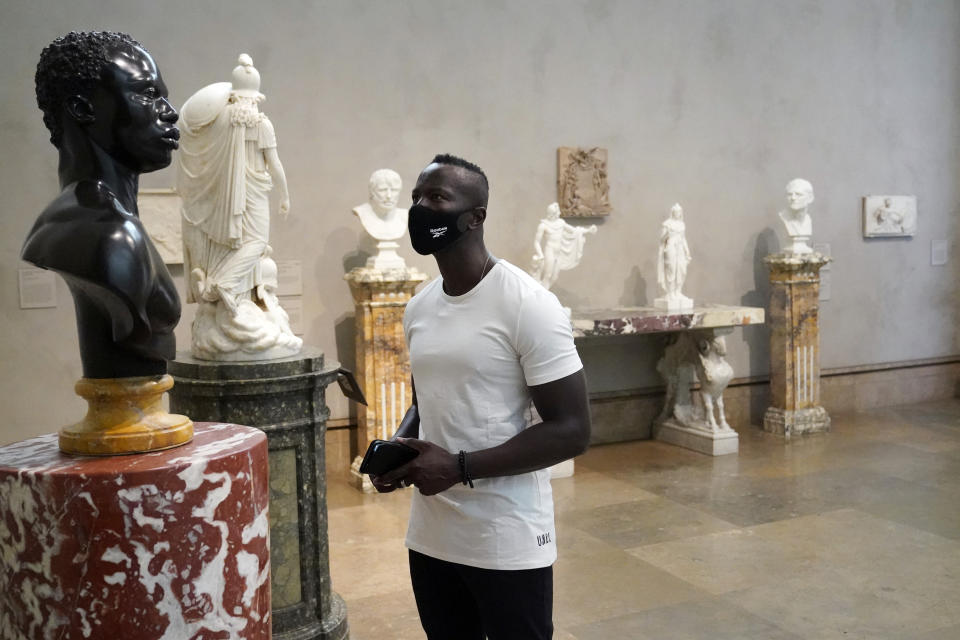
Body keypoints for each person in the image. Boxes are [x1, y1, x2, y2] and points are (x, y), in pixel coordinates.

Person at [372, 154, 592, 639]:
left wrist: (457, 467)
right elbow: (424, 400)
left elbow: (572, 430)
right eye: (417, 197)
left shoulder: (527, 305)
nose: (420, 208)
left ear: (475, 217)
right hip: (432, 533)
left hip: (505, 534)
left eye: (437, 198)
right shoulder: (419, 307)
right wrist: (400, 448)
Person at [23, 31, 182, 379]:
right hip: (124, 419)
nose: (170, 113)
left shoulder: (97, 222)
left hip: (141, 415)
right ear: (82, 108)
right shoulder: (110, 234)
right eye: (147, 94)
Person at [178, 53, 290, 317]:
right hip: (254, 192)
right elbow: (274, 164)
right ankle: (223, 285)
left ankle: (235, 291)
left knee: (234, 243)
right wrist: (284, 195)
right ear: (255, 96)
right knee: (257, 241)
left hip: (225, 193)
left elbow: (202, 150)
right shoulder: (261, 123)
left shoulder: (220, 120)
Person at [531, 202, 597, 290]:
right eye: (557, 212)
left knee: (554, 277)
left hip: (558, 253)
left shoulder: (561, 223)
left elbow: (574, 231)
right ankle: (542, 294)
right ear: (553, 214)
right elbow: (536, 242)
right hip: (549, 251)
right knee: (548, 275)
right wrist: (540, 254)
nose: (559, 213)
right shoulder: (543, 225)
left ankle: (544, 292)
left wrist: (588, 230)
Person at [352, 168, 409, 270]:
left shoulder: (404, 215)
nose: (389, 196)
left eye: (394, 190)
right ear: (372, 192)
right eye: (382, 190)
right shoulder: (363, 212)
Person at [655, 203, 692, 308]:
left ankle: (678, 292)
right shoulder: (667, 224)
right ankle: (670, 293)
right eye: (676, 212)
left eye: (679, 212)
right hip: (670, 247)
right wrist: (668, 234)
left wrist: (687, 252)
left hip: (680, 248)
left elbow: (683, 239)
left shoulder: (682, 224)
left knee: (682, 270)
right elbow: (661, 239)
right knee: (671, 269)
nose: (677, 213)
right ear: (673, 212)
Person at [778, 178, 814, 255]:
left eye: (798, 194)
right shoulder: (783, 218)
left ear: (810, 198)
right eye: (789, 194)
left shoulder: (808, 220)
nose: (793, 198)